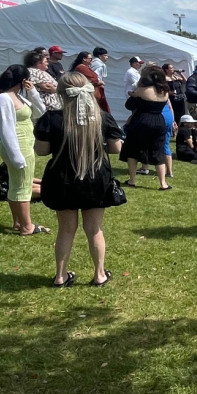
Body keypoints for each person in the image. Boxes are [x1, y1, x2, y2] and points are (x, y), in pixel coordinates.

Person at [34, 73, 124, 287]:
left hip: (62, 177)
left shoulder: (52, 118)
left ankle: (60, 276)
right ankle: (99, 274)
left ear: (61, 94)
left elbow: (42, 150)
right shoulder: (102, 117)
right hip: (95, 177)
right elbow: (116, 148)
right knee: (94, 229)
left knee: (66, 229)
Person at [0, 64, 48, 235]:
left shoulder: (19, 96)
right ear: (23, 80)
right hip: (18, 147)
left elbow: (41, 112)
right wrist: (16, 156)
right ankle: (27, 226)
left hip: (24, 146)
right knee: (23, 187)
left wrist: (33, 92)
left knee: (16, 184)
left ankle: (18, 222)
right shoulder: (3, 99)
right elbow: (6, 129)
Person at [120, 64, 172, 190]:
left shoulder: (142, 90)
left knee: (133, 150)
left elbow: (129, 105)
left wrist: (134, 95)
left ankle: (132, 180)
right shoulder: (165, 91)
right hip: (159, 120)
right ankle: (163, 183)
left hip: (142, 120)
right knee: (158, 151)